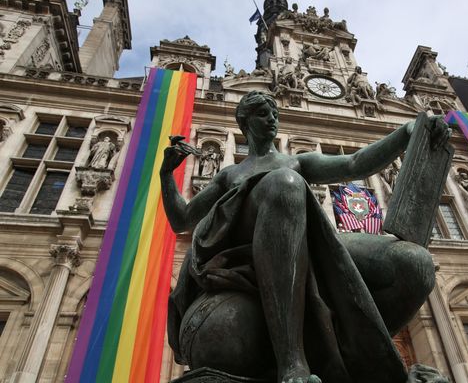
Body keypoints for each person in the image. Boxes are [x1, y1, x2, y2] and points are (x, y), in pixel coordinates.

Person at [161, 91, 451, 383]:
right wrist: (166, 175)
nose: (273, 118)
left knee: (415, 263)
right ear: (245, 122)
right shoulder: (229, 175)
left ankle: (359, 359)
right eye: (263, 113)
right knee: (283, 183)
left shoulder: (296, 163)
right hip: (250, 253)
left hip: (311, 242)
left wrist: (405, 134)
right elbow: (181, 219)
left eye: (274, 112)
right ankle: (292, 363)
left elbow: (355, 164)